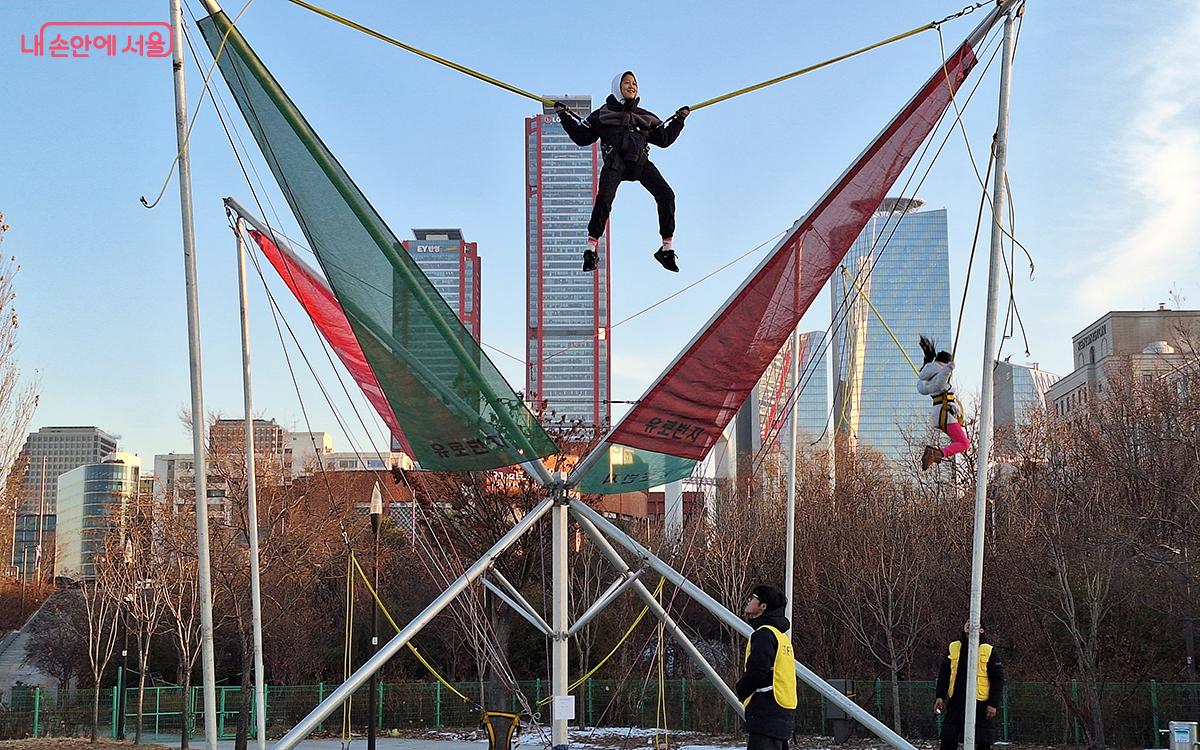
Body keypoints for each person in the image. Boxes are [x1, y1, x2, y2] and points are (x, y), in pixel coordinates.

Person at [554, 71, 689, 273]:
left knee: (666, 195)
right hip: (615, 164)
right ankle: (591, 249)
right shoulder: (603, 114)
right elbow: (582, 137)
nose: (631, 86)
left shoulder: (646, 117)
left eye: (634, 83)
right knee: (604, 201)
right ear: (617, 87)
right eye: (627, 83)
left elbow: (664, 139)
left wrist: (678, 121)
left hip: (641, 164)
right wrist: (564, 116)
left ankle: (666, 249)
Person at [735, 585, 797, 750]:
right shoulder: (781, 637)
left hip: (766, 712)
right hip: (781, 712)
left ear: (763, 606)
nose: (749, 600)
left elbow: (758, 671)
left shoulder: (764, 634)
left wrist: (741, 688)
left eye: (753, 597)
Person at [933, 621, 1006, 750]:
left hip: (981, 704)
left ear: (981, 630)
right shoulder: (954, 647)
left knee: (983, 741)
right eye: (967, 622)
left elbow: (998, 680)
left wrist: (993, 704)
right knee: (948, 739)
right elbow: (944, 674)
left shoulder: (988, 650)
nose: (969, 624)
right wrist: (940, 696)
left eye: (974, 623)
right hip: (956, 702)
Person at [917, 335, 970, 470]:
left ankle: (935, 453)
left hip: (942, 413)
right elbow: (940, 383)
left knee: (959, 441)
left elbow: (923, 388)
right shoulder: (940, 373)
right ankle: (936, 454)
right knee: (964, 443)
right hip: (944, 413)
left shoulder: (929, 377)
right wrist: (948, 369)